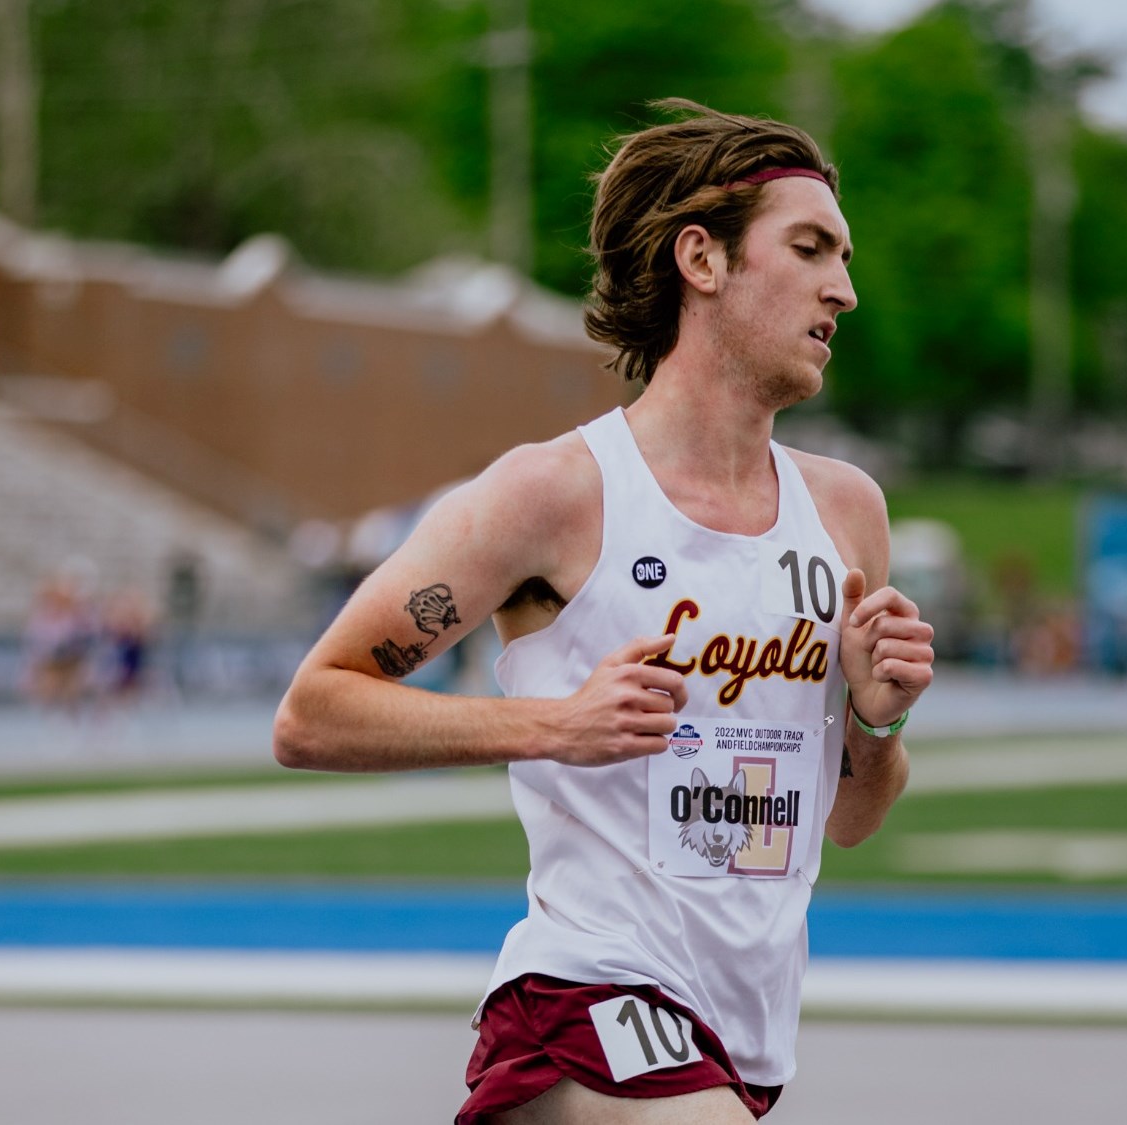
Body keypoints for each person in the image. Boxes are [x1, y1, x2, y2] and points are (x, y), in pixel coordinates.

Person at [274, 99, 935, 1123]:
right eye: (810, 250)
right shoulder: (555, 491)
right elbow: (313, 712)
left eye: (843, 260)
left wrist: (876, 721)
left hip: (743, 1029)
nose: (843, 290)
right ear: (701, 259)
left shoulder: (846, 511)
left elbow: (849, 820)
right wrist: (553, 725)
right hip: (584, 993)